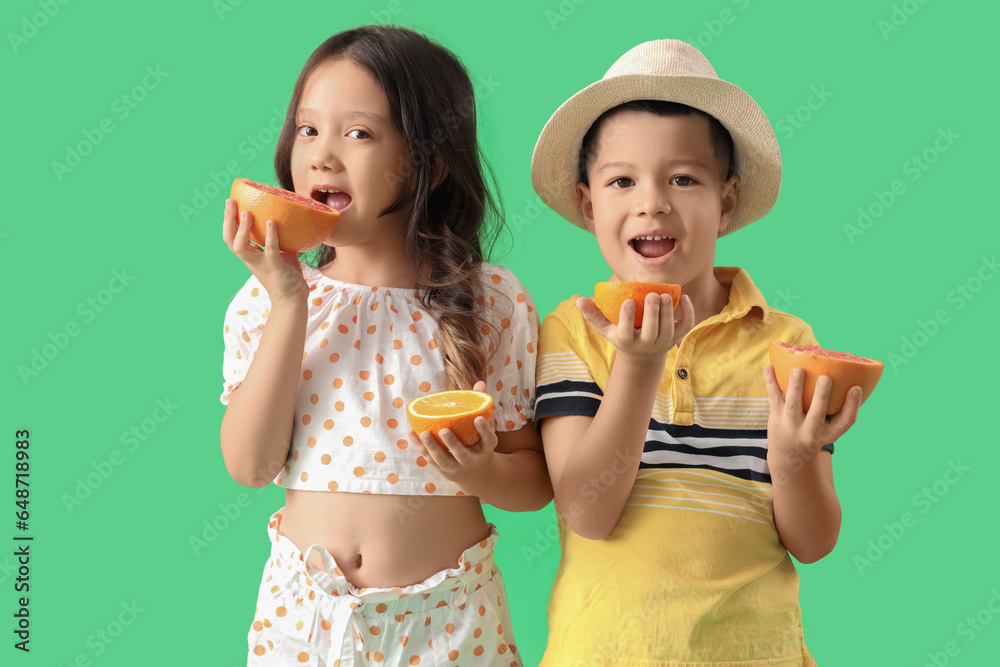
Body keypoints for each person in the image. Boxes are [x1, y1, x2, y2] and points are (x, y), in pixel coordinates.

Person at [219, 25, 550, 666]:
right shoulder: (263, 301)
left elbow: (534, 483)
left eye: (359, 133)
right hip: (304, 623)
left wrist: (478, 469)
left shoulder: (494, 302)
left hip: (450, 626)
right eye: (308, 130)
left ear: (432, 160)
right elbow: (250, 467)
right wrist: (290, 301)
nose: (322, 155)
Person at [530, 39, 865, 665]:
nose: (651, 201)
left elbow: (814, 542)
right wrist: (637, 364)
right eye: (622, 180)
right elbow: (586, 511)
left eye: (683, 178)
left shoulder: (785, 344)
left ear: (727, 199)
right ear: (588, 203)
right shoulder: (573, 330)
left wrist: (796, 455)